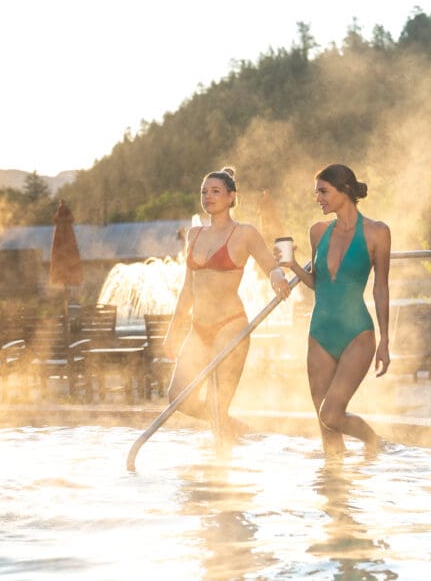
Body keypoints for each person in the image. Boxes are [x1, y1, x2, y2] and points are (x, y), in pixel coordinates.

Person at [164, 167, 291, 443]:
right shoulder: (194, 234)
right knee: (176, 397)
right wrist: (173, 330)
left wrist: (278, 276)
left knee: (217, 406)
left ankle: (222, 471)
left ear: (232, 196)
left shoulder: (245, 233)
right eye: (204, 192)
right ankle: (232, 426)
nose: (208, 196)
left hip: (230, 326)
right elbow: (188, 287)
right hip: (198, 329)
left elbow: (270, 265)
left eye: (215, 191)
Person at [277, 164, 390, 455]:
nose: (318, 198)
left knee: (331, 415)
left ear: (345, 191)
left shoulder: (377, 232)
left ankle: (373, 441)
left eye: (323, 191)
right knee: (326, 430)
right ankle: (335, 494)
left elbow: (380, 288)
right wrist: (292, 267)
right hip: (320, 333)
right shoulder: (318, 232)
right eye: (317, 192)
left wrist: (385, 340)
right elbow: (318, 282)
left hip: (357, 333)